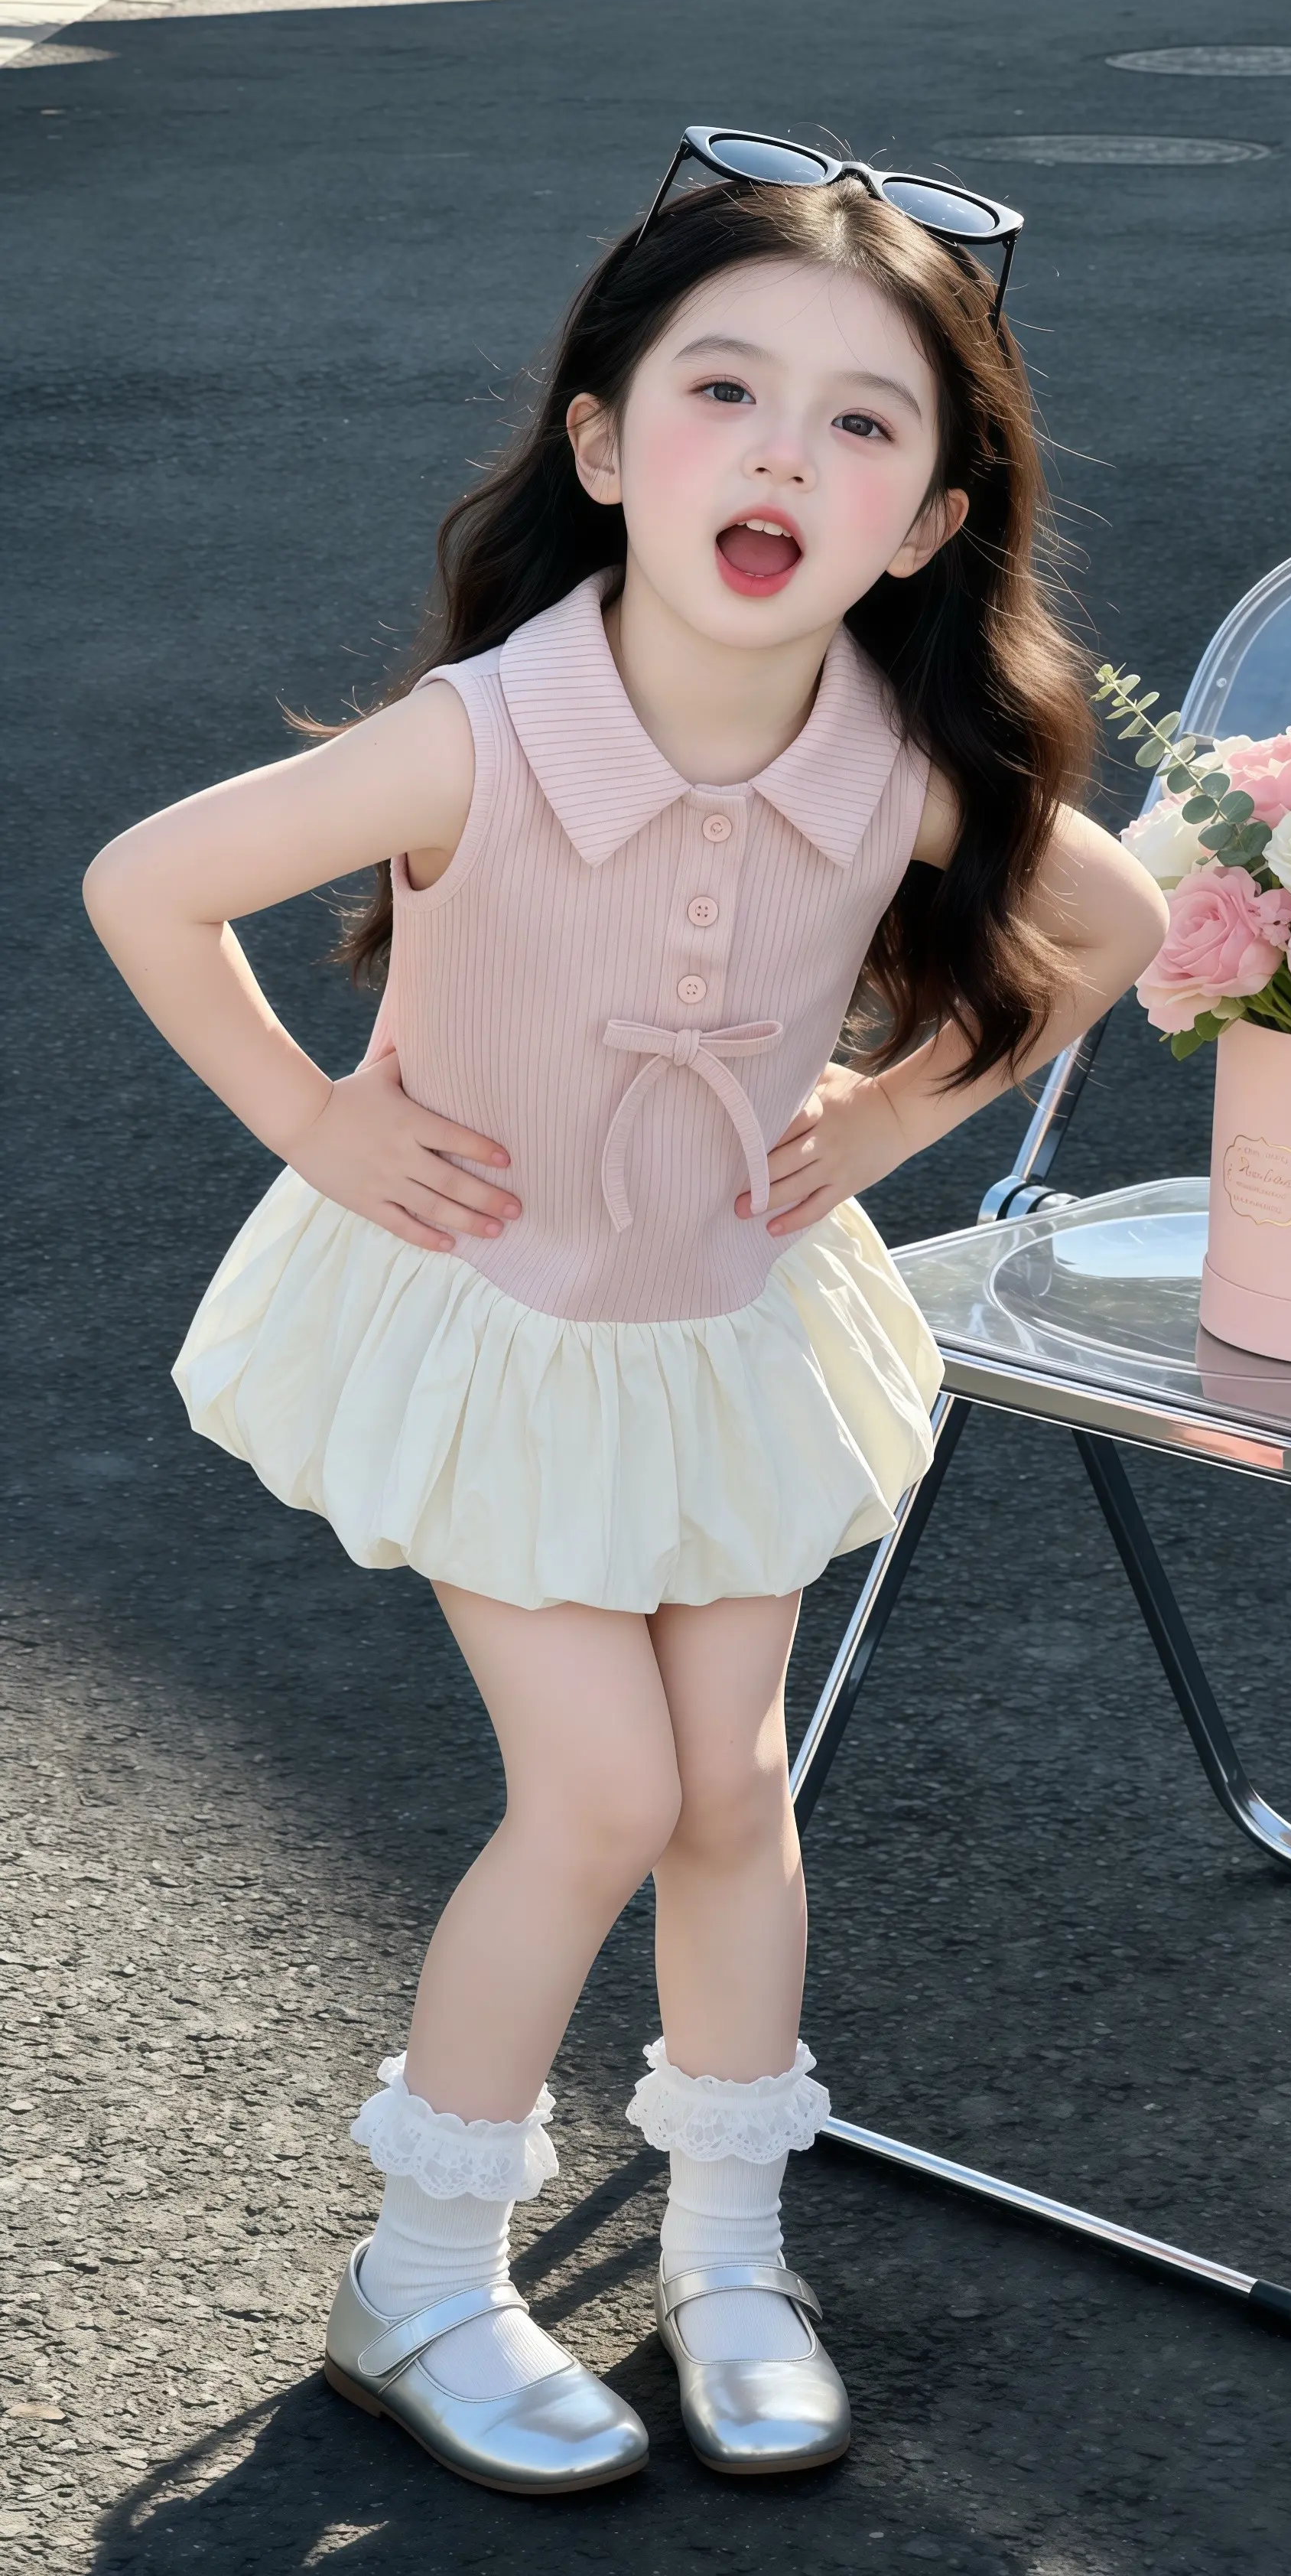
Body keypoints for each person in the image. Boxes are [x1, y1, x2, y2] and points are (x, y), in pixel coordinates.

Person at [83, 146, 1166, 2496]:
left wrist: (889, 1115)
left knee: (730, 1793)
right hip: (491, 1313)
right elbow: (150, 882)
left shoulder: (891, 762)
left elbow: (1108, 925)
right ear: (599, 441)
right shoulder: (483, 732)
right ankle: (420, 2277)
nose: (783, 452)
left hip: (715, 1321)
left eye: (860, 423)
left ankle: (728, 2250)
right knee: (600, 1794)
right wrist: (317, 1122)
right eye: (723, 389)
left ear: (926, 520)